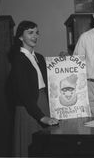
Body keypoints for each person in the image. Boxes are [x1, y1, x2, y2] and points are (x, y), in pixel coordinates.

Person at [9, 20, 59, 157]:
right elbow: (23, 93)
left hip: (43, 102)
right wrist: (41, 117)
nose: (35, 36)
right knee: (30, 147)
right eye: (30, 33)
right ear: (20, 37)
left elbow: (52, 79)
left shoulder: (40, 58)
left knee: (45, 147)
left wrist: (63, 60)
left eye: (37, 33)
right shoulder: (18, 59)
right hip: (28, 108)